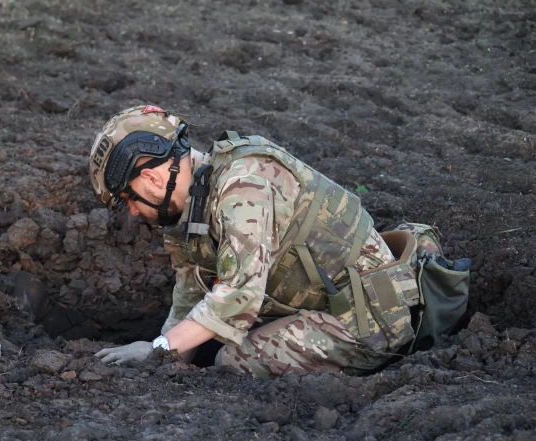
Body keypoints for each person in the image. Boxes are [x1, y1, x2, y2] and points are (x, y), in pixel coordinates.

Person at [91, 105, 443, 378]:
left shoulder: (243, 185)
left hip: (371, 321)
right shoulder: (193, 207)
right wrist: (166, 359)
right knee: (210, 335)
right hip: (323, 303)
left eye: (129, 199)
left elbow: (239, 296)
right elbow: (190, 295)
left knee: (233, 360)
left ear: (151, 178)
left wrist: (157, 349)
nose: (134, 212)